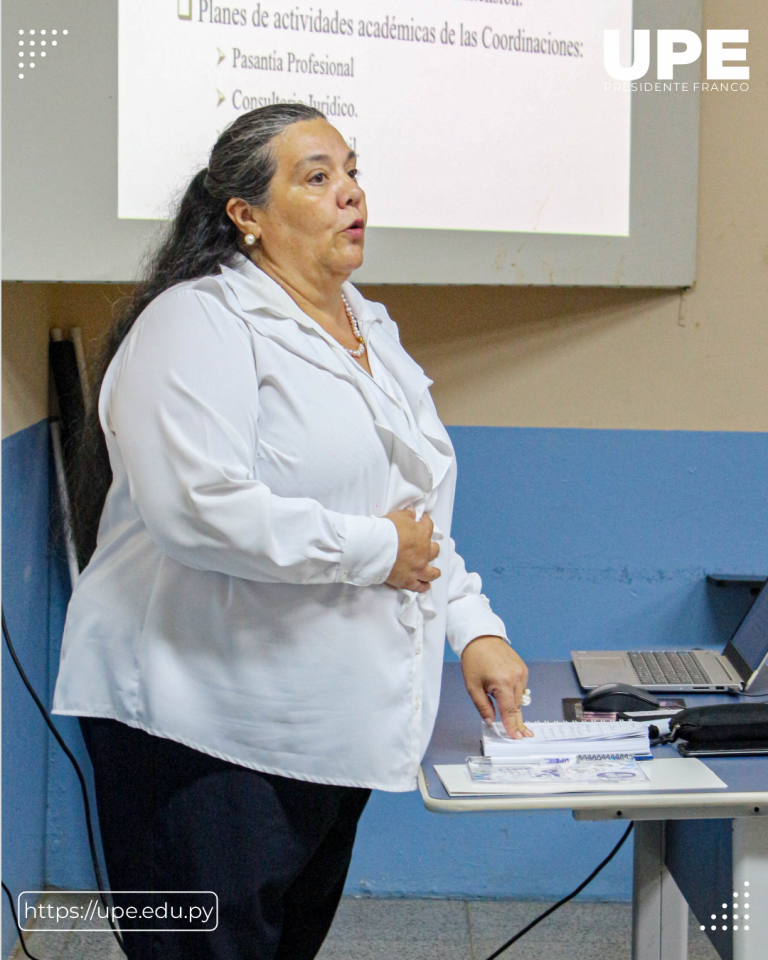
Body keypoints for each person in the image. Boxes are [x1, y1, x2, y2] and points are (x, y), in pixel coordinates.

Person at [52, 103, 532, 960]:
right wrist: (375, 551)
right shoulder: (197, 322)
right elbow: (197, 508)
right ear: (246, 215)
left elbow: (413, 510)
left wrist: (474, 628)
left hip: (323, 725)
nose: (351, 194)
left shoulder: (369, 328)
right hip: (198, 726)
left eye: (351, 171)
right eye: (317, 178)